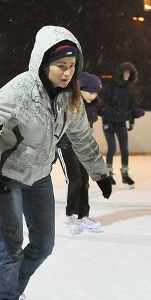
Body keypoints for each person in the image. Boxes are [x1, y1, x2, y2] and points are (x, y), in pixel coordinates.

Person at [0, 25, 112, 300]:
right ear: (43, 62)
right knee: (12, 247)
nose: (67, 72)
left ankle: (10, 293)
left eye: (72, 66)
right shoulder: (19, 90)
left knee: (43, 245)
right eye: (61, 66)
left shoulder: (70, 98)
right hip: (6, 177)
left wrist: (99, 173)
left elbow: (82, 138)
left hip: (40, 177)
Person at [56, 71, 103, 234]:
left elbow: (109, 112)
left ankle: (83, 216)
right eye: (90, 92)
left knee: (84, 181)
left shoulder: (94, 104)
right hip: (65, 146)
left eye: (96, 92)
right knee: (74, 179)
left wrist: (131, 113)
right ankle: (71, 215)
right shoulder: (68, 101)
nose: (93, 95)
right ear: (80, 88)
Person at [99, 62, 145, 187]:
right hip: (108, 122)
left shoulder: (130, 89)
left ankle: (125, 174)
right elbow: (103, 105)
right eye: (125, 73)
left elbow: (132, 106)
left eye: (129, 73)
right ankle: (108, 173)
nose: (127, 75)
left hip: (121, 122)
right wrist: (106, 120)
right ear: (120, 73)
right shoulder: (109, 87)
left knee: (124, 148)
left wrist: (132, 120)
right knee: (112, 148)